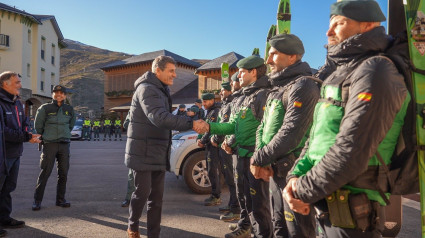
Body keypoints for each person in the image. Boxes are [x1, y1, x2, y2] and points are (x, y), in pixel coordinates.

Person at [283, 1, 410, 237]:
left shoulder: (377, 70)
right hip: (325, 202)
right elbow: (316, 138)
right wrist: (295, 176)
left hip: (354, 213)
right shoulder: (342, 75)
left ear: (368, 24)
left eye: (338, 24)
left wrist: (301, 190)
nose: (328, 32)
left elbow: (353, 149)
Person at [195, 55, 272, 238]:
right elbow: (234, 126)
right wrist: (209, 127)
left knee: (259, 203)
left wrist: (262, 157)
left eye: (242, 72)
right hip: (241, 154)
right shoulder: (247, 96)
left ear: (253, 72)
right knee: (244, 196)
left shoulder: (264, 95)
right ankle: (247, 227)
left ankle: (261, 233)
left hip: (255, 156)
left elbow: (267, 130)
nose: (238, 76)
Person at [250, 34, 318, 238]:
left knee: (297, 232)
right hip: (275, 171)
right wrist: (259, 155)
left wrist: (258, 158)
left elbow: (292, 133)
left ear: (293, 57)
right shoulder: (277, 89)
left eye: (274, 54)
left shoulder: (303, 86)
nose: (268, 61)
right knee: (278, 226)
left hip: (294, 173)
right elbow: (262, 127)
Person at [125, 55, 200, 238]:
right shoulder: (147, 89)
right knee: (141, 195)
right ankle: (132, 226)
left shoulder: (161, 89)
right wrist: (191, 123)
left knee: (156, 200)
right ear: (157, 70)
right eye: (171, 71)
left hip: (158, 151)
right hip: (142, 152)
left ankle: (153, 235)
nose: (174, 75)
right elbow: (158, 117)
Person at [0, 72, 40, 230]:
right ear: (5, 84)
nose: (20, 85)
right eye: (16, 82)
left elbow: (24, 122)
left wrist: (28, 133)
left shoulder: (17, 102)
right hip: (2, 154)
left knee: (8, 188)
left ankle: (4, 218)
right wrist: (26, 136)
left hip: (15, 153)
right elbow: (3, 131)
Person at [32, 85, 76, 211]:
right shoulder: (45, 108)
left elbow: (71, 125)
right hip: (49, 144)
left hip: (64, 144)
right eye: (56, 93)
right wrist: (47, 136)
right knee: (45, 173)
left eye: (62, 93)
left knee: (63, 173)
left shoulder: (69, 109)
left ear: (65, 95)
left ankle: (60, 200)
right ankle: (37, 200)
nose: (59, 95)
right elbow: (38, 126)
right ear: (52, 94)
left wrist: (64, 133)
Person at [210, 82, 240, 222]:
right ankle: (231, 205)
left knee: (232, 180)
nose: (221, 93)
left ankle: (235, 209)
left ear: (229, 91)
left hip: (228, 145)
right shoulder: (226, 104)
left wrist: (216, 139)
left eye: (223, 90)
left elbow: (226, 125)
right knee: (228, 178)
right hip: (224, 145)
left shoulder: (231, 104)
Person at [196, 93, 221, 206]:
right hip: (210, 145)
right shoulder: (209, 111)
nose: (204, 104)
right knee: (211, 170)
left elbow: (210, 129)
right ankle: (215, 194)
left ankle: (216, 196)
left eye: (205, 101)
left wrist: (202, 141)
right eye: (203, 102)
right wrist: (199, 138)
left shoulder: (215, 112)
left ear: (212, 100)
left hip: (214, 146)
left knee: (212, 171)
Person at [121, 112, 134, 207]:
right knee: (132, 174)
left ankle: (130, 199)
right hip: (136, 144)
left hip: (149, 145)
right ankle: (129, 198)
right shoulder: (132, 109)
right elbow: (125, 125)